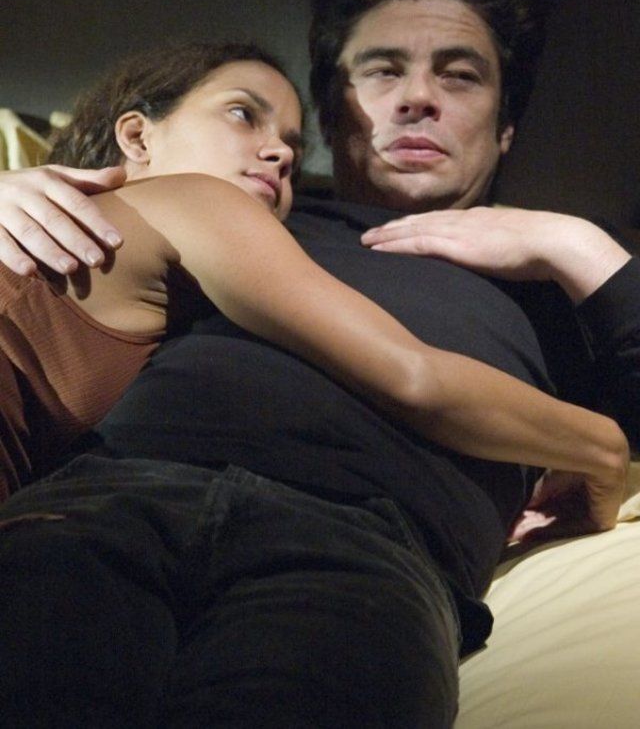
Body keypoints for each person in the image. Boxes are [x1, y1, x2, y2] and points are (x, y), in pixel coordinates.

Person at [0, 0, 637, 728]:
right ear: (334, 118)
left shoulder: (559, 284)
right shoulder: (251, 215)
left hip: (370, 552)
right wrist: (18, 191)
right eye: (382, 71)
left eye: (459, 76)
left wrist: (572, 242)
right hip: (114, 490)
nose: (417, 99)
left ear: (505, 128)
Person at [1, 38, 612, 515]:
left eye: (292, 146)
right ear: (137, 136)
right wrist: (602, 447)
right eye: (243, 114)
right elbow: (416, 377)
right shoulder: (199, 202)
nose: (282, 153)